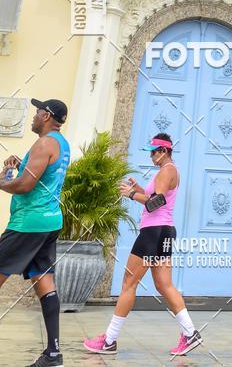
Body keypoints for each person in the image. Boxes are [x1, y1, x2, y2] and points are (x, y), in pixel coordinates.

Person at [83, 132, 202, 357]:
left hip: (153, 233)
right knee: (164, 285)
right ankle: (190, 333)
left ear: (164, 151)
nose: (151, 156)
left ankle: (109, 340)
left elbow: (156, 202)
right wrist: (139, 190)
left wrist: (131, 195)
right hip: (164, 232)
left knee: (129, 283)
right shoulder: (166, 171)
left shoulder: (167, 170)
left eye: (153, 152)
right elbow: (154, 197)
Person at [0, 98, 71, 367]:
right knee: (45, 282)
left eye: (38, 111)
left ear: (47, 116)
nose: (34, 115)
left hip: (28, 224)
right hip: (50, 222)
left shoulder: (44, 143)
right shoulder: (61, 144)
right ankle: (53, 354)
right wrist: (21, 165)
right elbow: (42, 176)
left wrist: (2, 181)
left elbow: (25, 185)